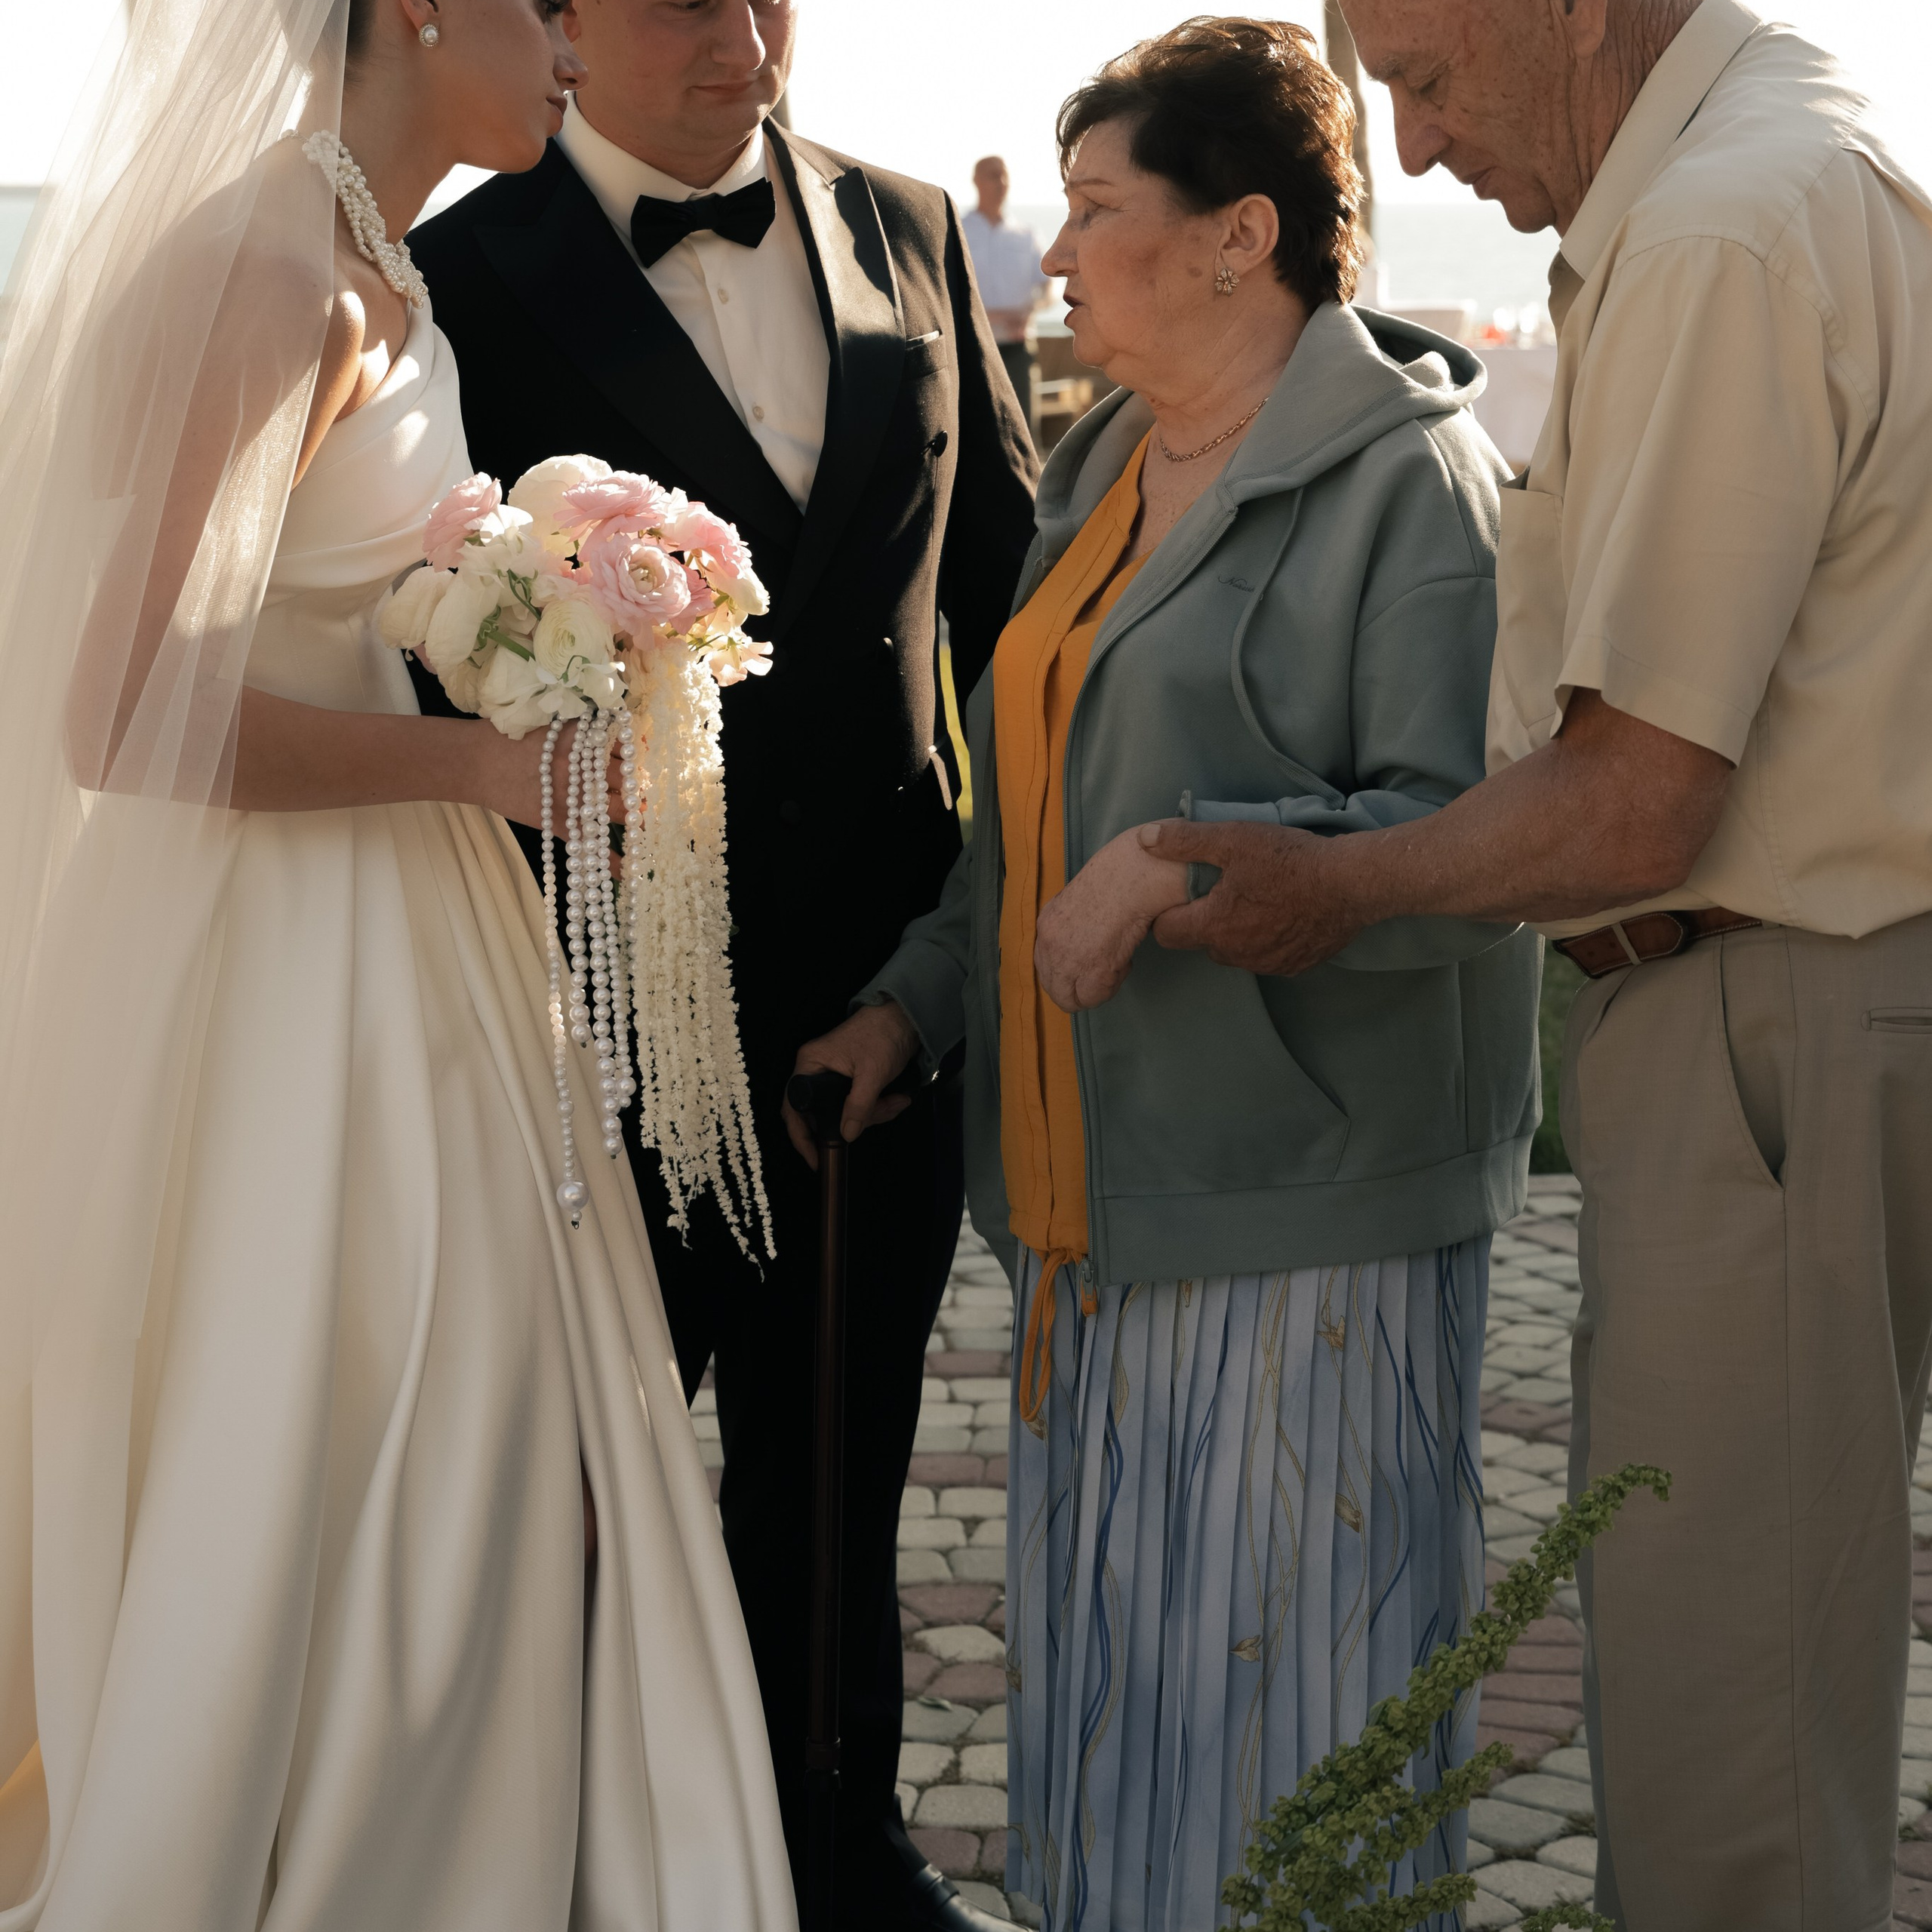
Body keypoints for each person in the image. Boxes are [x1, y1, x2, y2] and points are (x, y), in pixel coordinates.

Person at [0, 0, 798, 1927]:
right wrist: (494, 759)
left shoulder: (369, 253)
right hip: (296, 964)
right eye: (539, 7)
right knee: (366, 1417)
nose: (567, 47)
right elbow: (121, 709)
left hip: (410, 925)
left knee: (482, 1431)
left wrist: (528, 601)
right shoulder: (278, 273)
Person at [1152, 1, 1932, 1924]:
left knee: (1721, 1728)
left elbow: (1631, 804)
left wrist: (1332, 883)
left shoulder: (1713, 227)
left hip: (1762, 1013)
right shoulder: (1798, 142)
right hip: (1831, 997)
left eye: (1422, 72)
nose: (1408, 150)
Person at [787, 20, 1538, 1931]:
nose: (1058, 240)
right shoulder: (1107, 459)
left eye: (1102, 206)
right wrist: (910, 1003)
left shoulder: (1415, 486)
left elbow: (1466, 859)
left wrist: (1172, 867)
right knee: (1122, 1748)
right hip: (1082, 1217)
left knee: (1298, 1759)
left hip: (1306, 1232)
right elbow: (1025, 815)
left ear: (1238, 236)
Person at [407, 4, 1040, 1924]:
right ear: (563, 26)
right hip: (571, 1000)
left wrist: (958, 952)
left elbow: (1007, 595)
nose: (740, 31)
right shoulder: (448, 275)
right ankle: (570, 1859)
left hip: (874, 996)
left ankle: (823, 1849)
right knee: (561, 1481)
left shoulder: (912, 229)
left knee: (832, 1470)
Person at [961, 156, 1049, 426]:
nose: (1000, 183)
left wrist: (1029, 313)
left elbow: (1048, 285)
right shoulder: (959, 230)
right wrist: (992, 318)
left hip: (1018, 348)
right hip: (972, 348)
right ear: (976, 181)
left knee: (1022, 430)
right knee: (974, 431)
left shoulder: (1026, 234)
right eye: (992, 175)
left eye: (1004, 176)